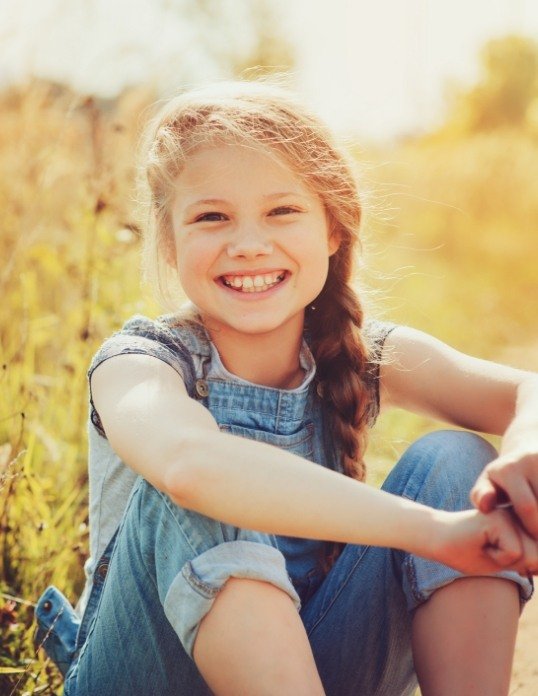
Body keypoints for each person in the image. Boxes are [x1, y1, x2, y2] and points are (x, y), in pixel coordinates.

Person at [35, 80, 538, 696]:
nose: (248, 244)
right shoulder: (139, 364)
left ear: (332, 227)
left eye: (282, 211)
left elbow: (527, 393)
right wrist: (433, 532)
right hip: (146, 673)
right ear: (169, 242)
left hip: (312, 666)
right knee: (206, 492)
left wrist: (523, 451)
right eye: (211, 216)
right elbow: (193, 467)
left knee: (457, 463)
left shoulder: (357, 355)